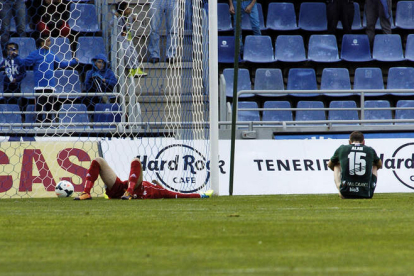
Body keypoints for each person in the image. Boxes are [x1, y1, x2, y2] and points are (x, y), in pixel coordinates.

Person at [74, 157, 214, 200]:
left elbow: (178, 194)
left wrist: (200, 195)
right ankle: (86, 192)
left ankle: (129, 192)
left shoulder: (158, 191)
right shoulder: (148, 185)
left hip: (127, 192)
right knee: (98, 160)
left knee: (136, 161)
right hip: (121, 190)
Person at [24, 37, 78, 125]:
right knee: (39, 105)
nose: (50, 43)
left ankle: (48, 124)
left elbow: (60, 64)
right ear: (42, 43)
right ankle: (38, 124)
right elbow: (25, 62)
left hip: (50, 85)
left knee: (49, 106)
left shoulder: (52, 54)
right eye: (48, 41)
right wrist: (16, 59)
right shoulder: (35, 54)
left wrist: (73, 62)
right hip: (40, 85)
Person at [328, 131, 383, 199]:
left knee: (336, 165)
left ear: (349, 142)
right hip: (366, 193)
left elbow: (330, 164)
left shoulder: (342, 148)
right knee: (374, 165)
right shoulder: (370, 150)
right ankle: (369, 188)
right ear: (363, 142)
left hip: (346, 192)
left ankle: (341, 190)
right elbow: (380, 164)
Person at [114, 1, 147, 77]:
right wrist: (115, 17)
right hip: (122, 40)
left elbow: (128, 26)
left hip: (129, 39)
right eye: (127, 8)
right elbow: (111, 24)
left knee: (134, 54)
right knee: (127, 55)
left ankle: (137, 68)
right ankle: (130, 70)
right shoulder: (118, 18)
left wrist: (134, 19)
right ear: (122, 10)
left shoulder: (128, 18)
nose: (130, 10)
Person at [0, 42, 26, 108]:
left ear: (16, 51)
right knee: (7, 103)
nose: (11, 51)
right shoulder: (6, 61)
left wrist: (16, 79)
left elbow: (24, 73)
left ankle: (20, 116)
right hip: (7, 85)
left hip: (16, 85)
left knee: (17, 102)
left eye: (13, 49)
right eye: (9, 49)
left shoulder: (19, 61)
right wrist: (2, 68)